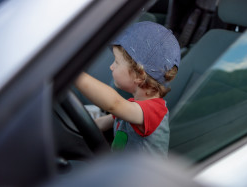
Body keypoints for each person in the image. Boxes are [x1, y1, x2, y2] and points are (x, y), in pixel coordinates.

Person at [75, 21, 180, 157]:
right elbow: (97, 125)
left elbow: (114, 104)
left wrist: (75, 76)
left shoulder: (154, 112)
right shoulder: (131, 108)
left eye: (117, 62)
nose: (111, 67)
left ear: (139, 76)